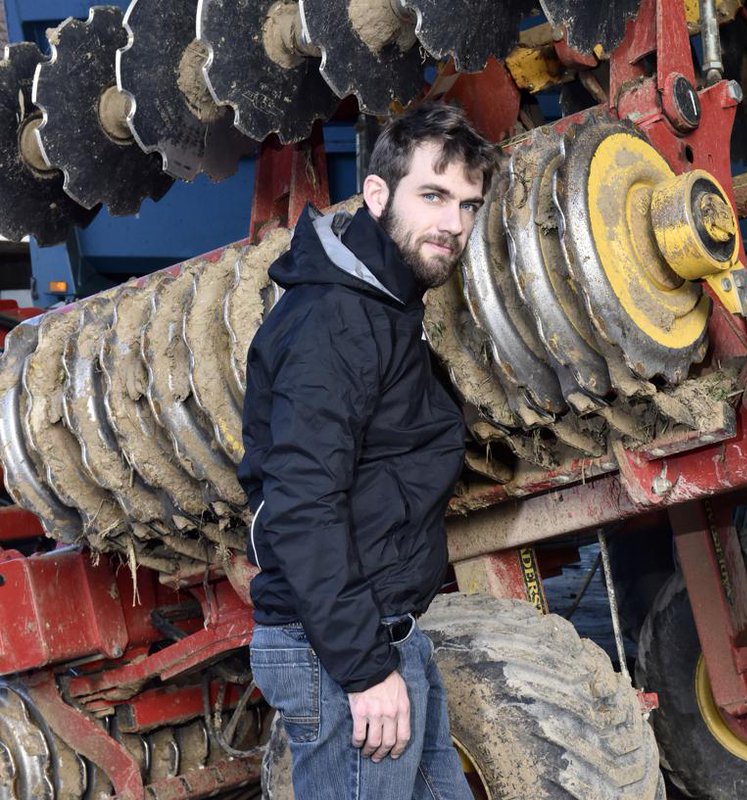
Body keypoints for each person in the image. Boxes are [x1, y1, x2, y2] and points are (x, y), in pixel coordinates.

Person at [238, 103, 497, 799]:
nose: (454, 224)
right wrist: (364, 668)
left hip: (383, 635)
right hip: (338, 649)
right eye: (434, 196)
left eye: (468, 206)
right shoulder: (335, 318)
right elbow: (301, 503)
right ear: (378, 195)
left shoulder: (385, 306)